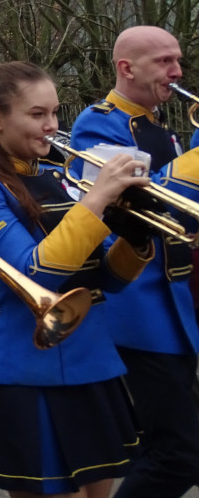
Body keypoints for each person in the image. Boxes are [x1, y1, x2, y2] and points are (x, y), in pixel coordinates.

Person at [0, 61, 153, 497]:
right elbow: (34, 270)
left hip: (92, 361)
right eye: (36, 115)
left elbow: (108, 278)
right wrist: (99, 199)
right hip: (25, 371)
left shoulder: (55, 176)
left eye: (54, 113)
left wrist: (137, 239)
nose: (51, 126)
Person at [69, 25, 199, 497]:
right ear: (127, 68)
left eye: (178, 60)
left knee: (157, 447)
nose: (177, 71)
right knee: (179, 456)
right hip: (140, 307)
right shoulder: (98, 123)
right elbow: (135, 204)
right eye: (165, 61)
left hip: (179, 301)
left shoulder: (158, 123)